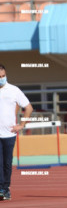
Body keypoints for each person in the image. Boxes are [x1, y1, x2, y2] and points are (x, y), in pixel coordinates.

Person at [0, 64, 33, 200]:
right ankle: (1, 189)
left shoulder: (14, 90)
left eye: (3, 76)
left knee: (7, 163)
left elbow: (29, 108)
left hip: (9, 134)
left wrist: (22, 125)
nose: (2, 78)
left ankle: (6, 188)